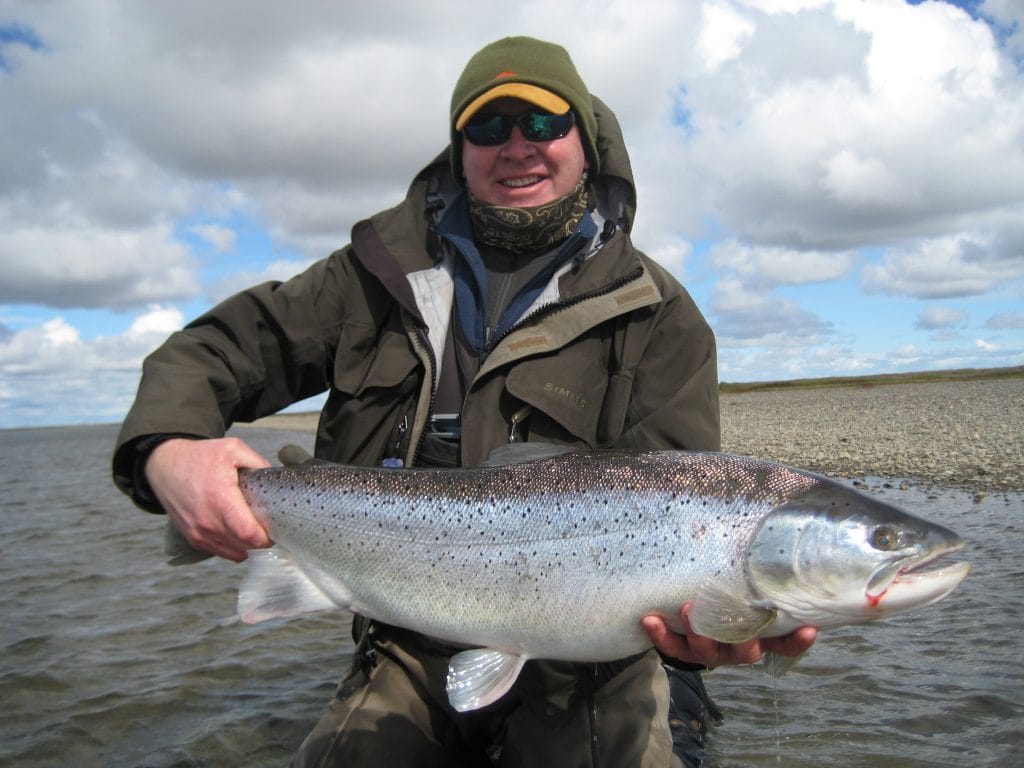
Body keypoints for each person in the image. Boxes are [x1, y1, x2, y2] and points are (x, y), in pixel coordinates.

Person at [113, 35, 816, 767]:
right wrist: (166, 449)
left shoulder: (659, 316)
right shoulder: (370, 276)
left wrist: (705, 633)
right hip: (405, 632)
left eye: (544, 124)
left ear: (588, 139)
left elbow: (679, 507)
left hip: (594, 660)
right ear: (459, 150)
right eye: (489, 127)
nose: (518, 147)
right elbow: (210, 352)